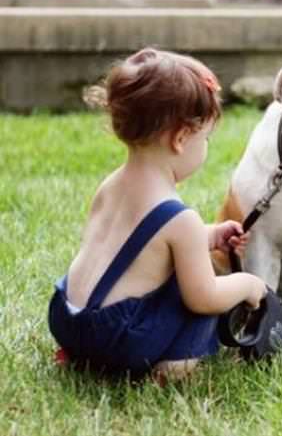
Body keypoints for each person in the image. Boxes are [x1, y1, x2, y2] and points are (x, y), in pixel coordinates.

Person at [48, 48, 267, 381]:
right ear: (180, 138)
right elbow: (204, 298)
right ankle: (172, 369)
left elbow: (138, 248)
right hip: (118, 339)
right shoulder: (181, 220)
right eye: (205, 138)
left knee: (185, 274)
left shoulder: (111, 185)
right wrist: (249, 285)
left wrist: (209, 236)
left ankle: (80, 356)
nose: (205, 147)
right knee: (198, 291)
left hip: (67, 317)